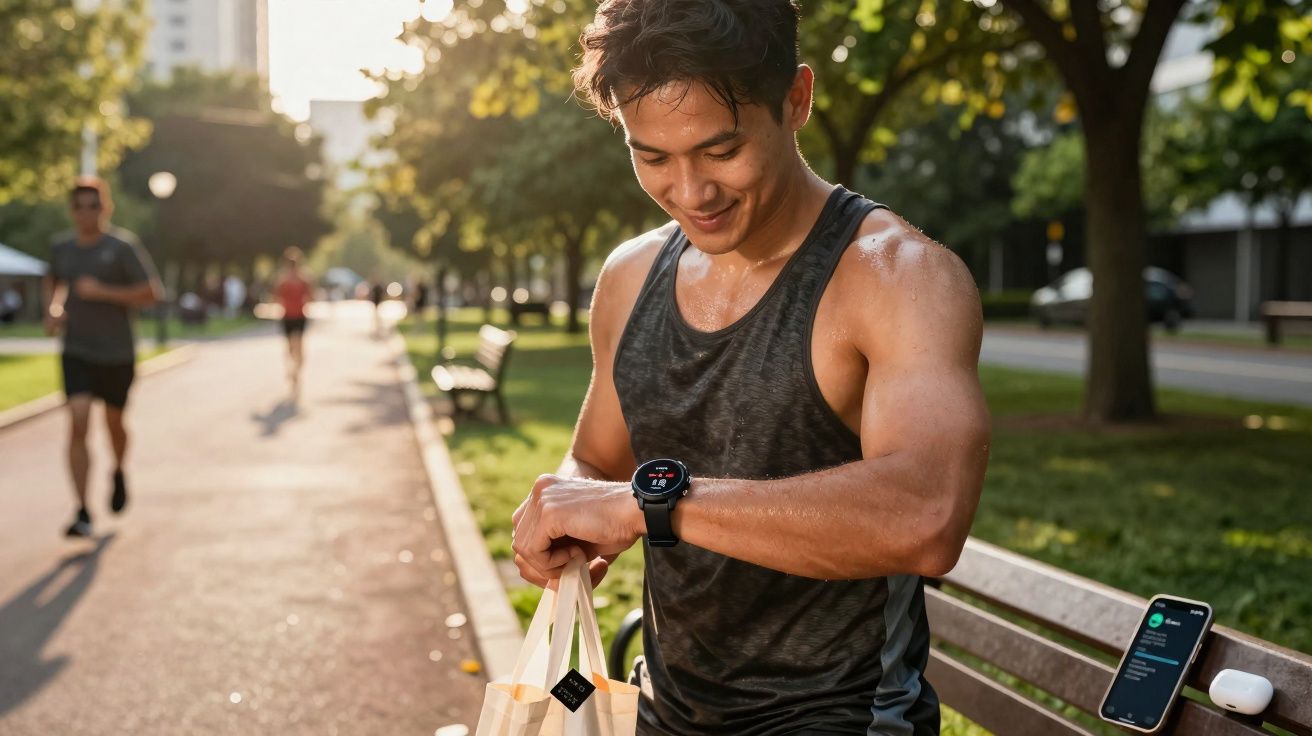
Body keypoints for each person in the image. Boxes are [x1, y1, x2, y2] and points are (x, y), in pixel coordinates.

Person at [508, 2, 991, 733]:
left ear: (796, 100)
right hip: (665, 708)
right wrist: (569, 515)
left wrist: (649, 505)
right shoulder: (631, 276)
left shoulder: (898, 277)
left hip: (844, 718)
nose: (691, 192)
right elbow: (597, 456)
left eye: (721, 149)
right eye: (652, 157)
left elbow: (926, 515)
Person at [43, 177, 163, 538]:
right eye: (79, 206)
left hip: (117, 352)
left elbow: (151, 293)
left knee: (114, 422)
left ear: (105, 207)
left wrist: (103, 292)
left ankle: (119, 470)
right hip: (77, 350)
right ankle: (82, 510)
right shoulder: (62, 249)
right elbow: (53, 283)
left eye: (93, 205)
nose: (86, 213)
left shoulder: (122, 247)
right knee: (78, 422)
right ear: (71, 210)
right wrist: (53, 308)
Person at [273, 247, 312, 397]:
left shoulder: (301, 279)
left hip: (296, 316)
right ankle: (295, 370)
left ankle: (294, 371)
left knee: (295, 347)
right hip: (290, 316)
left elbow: (276, 298)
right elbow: (277, 297)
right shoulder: (285, 280)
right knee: (294, 348)